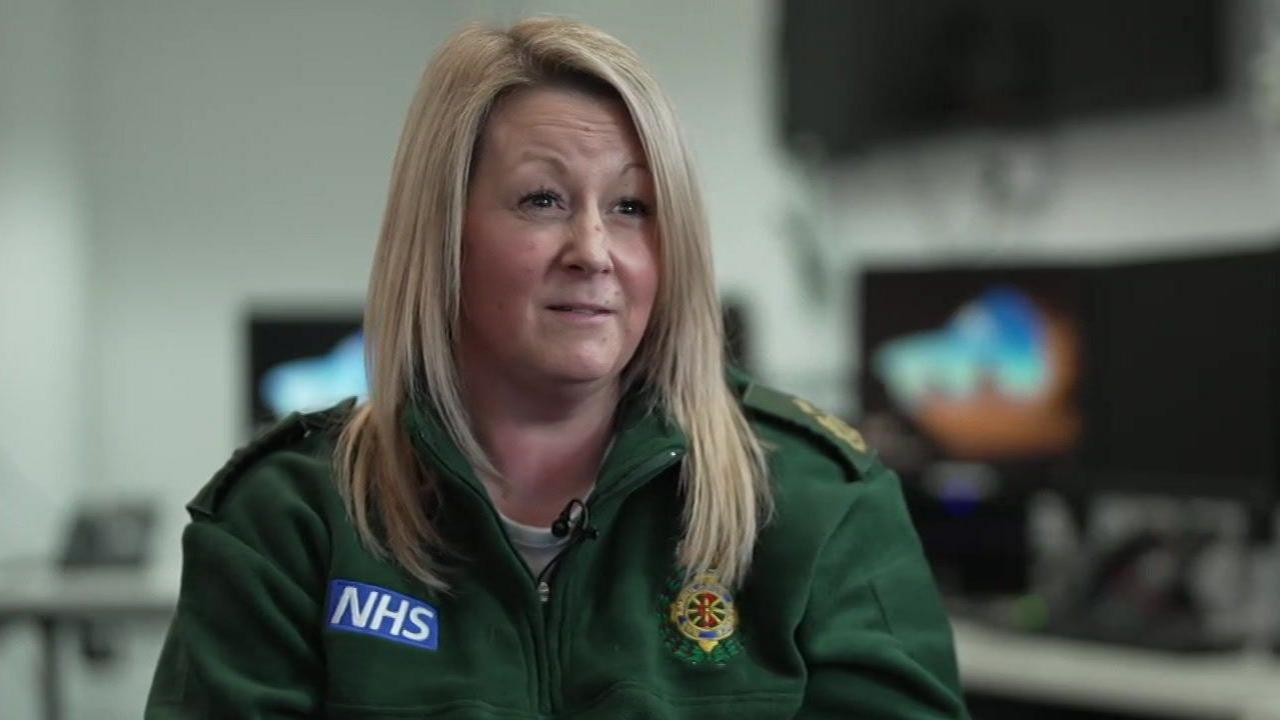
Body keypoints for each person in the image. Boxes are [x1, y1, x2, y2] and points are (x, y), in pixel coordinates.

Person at [146, 17, 969, 719]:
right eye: (542, 200)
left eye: (632, 207)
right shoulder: (288, 522)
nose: (593, 252)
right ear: (444, 236)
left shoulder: (820, 503)